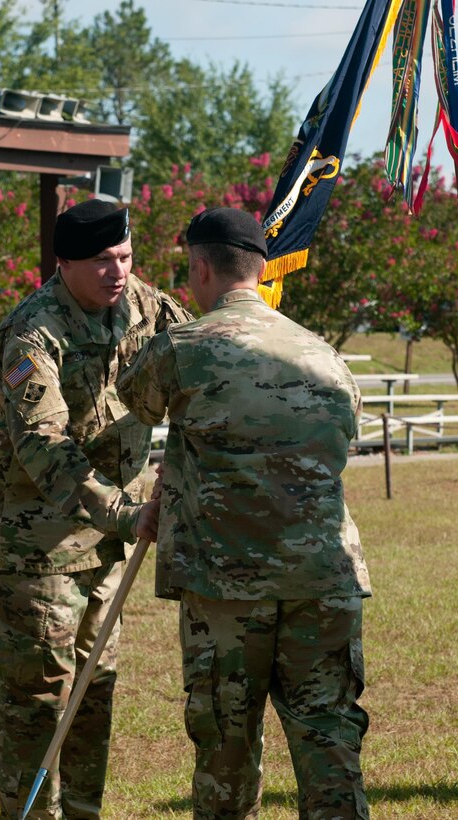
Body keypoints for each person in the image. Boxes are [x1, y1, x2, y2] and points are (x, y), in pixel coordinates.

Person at [117, 207, 372, 819]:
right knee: (330, 744)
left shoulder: (182, 349)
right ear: (259, 271)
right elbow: (343, 435)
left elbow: (135, 396)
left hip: (228, 586)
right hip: (322, 580)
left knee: (227, 753)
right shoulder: (325, 356)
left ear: (201, 269)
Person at [0, 198, 192, 820]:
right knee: (38, 705)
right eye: (101, 261)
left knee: (94, 697)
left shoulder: (149, 308)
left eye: (124, 256)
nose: (117, 272)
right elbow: (44, 447)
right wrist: (127, 513)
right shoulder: (34, 331)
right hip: (34, 554)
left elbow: (196, 365)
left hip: (107, 551)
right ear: (63, 262)